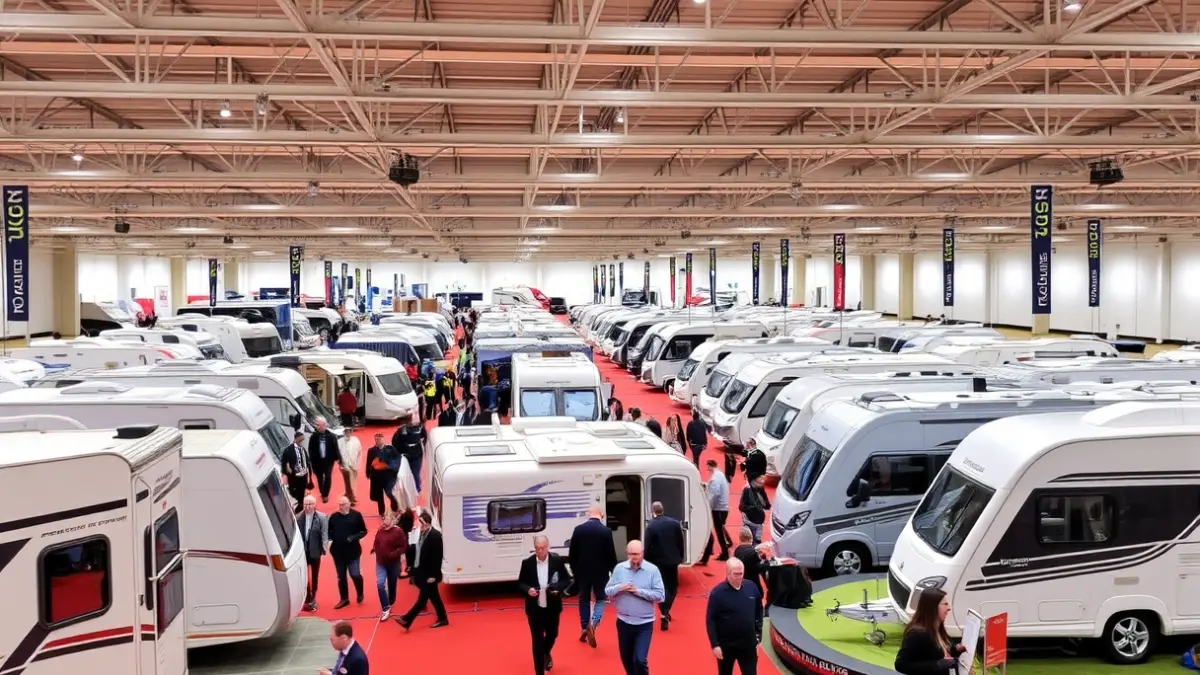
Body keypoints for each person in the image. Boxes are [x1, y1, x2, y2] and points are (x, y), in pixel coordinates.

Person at [605, 541, 665, 675]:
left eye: (637, 554)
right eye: (631, 554)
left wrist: (637, 591)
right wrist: (620, 587)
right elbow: (607, 590)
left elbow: (661, 596)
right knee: (626, 660)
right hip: (623, 622)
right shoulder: (619, 569)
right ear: (627, 553)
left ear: (642, 553)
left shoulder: (652, 570)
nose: (634, 557)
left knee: (639, 659)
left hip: (644, 624)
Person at [518, 535, 572, 675]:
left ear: (548, 547)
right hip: (534, 609)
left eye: (542, 548)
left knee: (553, 634)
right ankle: (539, 671)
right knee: (537, 642)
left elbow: (566, 580)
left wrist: (557, 588)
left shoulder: (557, 561)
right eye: (537, 548)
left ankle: (546, 651)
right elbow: (520, 583)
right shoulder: (527, 563)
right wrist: (528, 589)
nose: (540, 551)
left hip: (552, 607)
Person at [568, 506, 618, 647]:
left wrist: (575, 571)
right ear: (601, 515)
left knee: (584, 598)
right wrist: (613, 571)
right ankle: (594, 623)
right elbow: (611, 554)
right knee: (601, 598)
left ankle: (585, 626)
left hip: (582, 571)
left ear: (589, 515)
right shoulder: (606, 531)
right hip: (600, 572)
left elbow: (573, 554)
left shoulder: (579, 529)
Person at [705, 558, 763, 675]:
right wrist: (715, 645)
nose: (739, 577)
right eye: (736, 574)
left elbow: (759, 609)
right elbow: (710, 620)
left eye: (741, 573)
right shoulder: (717, 593)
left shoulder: (751, 587)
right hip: (726, 646)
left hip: (748, 644)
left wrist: (758, 631)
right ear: (727, 573)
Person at [895, 588, 968, 675]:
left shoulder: (938, 628)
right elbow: (901, 665)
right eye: (945, 604)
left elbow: (939, 652)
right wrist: (936, 665)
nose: (949, 608)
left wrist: (955, 649)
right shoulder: (917, 634)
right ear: (933, 607)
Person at [396, 510, 449, 630]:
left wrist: (434, 576)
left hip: (430, 575)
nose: (420, 526)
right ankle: (442, 618)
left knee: (422, 600)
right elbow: (417, 550)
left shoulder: (435, 536)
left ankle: (406, 620)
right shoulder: (422, 534)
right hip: (422, 572)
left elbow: (437, 558)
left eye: (422, 524)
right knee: (434, 597)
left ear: (428, 524)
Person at [644, 502, 685, 630]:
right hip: (672, 561)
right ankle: (666, 611)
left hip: (657, 562)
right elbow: (680, 541)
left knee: (660, 587)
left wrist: (646, 562)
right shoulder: (674, 523)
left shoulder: (651, 526)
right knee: (673, 587)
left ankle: (664, 611)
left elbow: (647, 546)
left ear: (653, 511)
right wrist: (680, 557)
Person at [328, 496, 368, 609]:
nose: (341, 507)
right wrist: (330, 540)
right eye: (339, 504)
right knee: (341, 577)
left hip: (353, 551)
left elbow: (364, 531)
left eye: (343, 504)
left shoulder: (356, 515)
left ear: (349, 504)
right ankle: (344, 599)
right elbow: (329, 532)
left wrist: (353, 537)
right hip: (337, 552)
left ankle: (360, 592)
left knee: (355, 574)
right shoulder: (334, 517)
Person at [370, 511, 407, 620]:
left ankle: (391, 600)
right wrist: (374, 549)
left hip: (393, 563)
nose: (384, 522)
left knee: (392, 584)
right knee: (380, 584)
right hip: (380, 562)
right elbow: (377, 541)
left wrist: (393, 554)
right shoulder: (380, 530)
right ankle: (385, 608)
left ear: (392, 520)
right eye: (384, 519)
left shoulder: (398, 532)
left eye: (386, 520)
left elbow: (403, 546)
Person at [299, 495, 329, 612]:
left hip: (315, 551)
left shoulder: (321, 517)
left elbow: (324, 533)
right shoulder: (298, 517)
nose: (307, 506)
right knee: (305, 575)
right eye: (305, 504)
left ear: (314, 505)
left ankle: (314, 595)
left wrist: (324, 548)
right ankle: (308, 596)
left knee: (315, 575)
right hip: (303, 552)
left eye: (310, 504)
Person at [700, 459, 732, 564]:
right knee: (720, 530)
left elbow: (714, 494)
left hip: (718, 508)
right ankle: (725, 550)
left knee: (719, 532)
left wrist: (708, 507)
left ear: (710, 466)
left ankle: (725, 553)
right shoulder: (720, 475)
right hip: (722, 507)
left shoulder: (715, 478)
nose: (707, 468)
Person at [307, 417, 342, 504]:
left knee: (328, 477)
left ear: (324, 425)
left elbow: (336, 448)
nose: (317, 426)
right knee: (319, 478)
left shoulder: (331, 436)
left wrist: (339, 459)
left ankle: (325, 495)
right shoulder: (313, 437)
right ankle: (322, 491)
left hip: (328, 461)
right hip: (317, 462)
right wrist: (311, 461)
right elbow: (310, 450)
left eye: (319, 425)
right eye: (317, 425)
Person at [364, 433, 400, 516]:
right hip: (377, 477)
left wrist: (395, 473)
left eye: (379, 439)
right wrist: (368, 473)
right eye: (376, 439)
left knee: (390, 493)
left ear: (383, 439)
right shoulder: (371, 450)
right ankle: (382, 512)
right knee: (379, 496)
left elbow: (395, 462)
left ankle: (394, 508)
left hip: (388, 477)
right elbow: (369, 463)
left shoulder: (390, 449)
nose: (378, 441)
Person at [280, 431, 311, 514]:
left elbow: (306, 459)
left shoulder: (303, 448)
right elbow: (284, 462)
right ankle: (298, 502)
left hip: (304, 474)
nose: (303, 441)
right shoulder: (288, 450)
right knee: (294, 491)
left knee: (302, 491)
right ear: (296, 439)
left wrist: (308, 468)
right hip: (294, 476)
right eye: (301, 439)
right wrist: (287, 469)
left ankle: (300, 505)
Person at [732, 528, 764, 601]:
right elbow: (758, 568)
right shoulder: (753, 554)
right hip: (753, 586)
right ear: (751, 538)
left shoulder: (737, 551)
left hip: (740, 584)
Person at [739, 473, 771, 545]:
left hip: (759, 520)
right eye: (760, 481)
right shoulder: (747, 490)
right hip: (750, 520)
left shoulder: (761, 489)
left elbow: (767, 505)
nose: (762, 482)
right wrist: (753, 508)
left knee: (757, 540)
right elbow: (741, 506)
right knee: (752, 541)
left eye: (762, 481)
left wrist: (765, 504)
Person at [339, 431, 360, 507]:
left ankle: (351, 496)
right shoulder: (340, 441)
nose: (347, 433)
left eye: (349, 431)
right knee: (348, 484)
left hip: (354, 465)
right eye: (346, 431)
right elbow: (338, 454)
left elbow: (359, 452)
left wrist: (357, 463)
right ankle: (350, 500)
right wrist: (341, 464)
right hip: (344, 467)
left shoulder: (356, 440)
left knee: (352, 483)